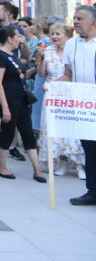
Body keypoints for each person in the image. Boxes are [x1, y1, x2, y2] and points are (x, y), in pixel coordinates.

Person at [0, 25, 46, 183]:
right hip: (9, 99)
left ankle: (37, 170)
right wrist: (5, 107)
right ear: (10, 39)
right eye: (17, 36)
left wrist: (34, 67)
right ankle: (2, 167)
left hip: (21, 98)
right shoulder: (0, 56)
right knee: (8, 132)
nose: (20, 39)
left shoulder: (12, 54)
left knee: (27, 132)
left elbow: (20, 74)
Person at [37, 21, 85, 178]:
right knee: (56, 129)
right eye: (52, 34)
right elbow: (42, 74)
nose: (54, 37)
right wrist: (40, 59)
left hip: (71, 93)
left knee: (73, 129)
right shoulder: (49, 51)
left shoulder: (74, 49)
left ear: (67, 35)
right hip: (52, 94)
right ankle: (62, 162)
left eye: (58, 34)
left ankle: (79, 164)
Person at [59, 5, 96, 205]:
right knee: (90, 149)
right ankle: (93, 190)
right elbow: (67, 74)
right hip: (84, 108)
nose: (76, 22)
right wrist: (53, 86)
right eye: (74, 18)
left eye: (80, 19)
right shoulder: (71, 44)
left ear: (93, 22)